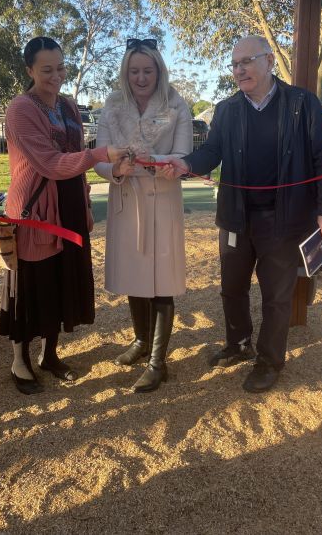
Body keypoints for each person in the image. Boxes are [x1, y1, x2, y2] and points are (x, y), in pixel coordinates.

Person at [162, 35, 322, 393]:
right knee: (232, 288)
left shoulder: (302, 103)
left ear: (270, 61)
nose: (239, 69)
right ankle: (238, 343)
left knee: (277, 295)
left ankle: (270, 359)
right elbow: (211, 151)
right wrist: (183, 163)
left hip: (284, 218)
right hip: (237, 217)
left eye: (246, 61)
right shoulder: (227, 109)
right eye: (234, 64)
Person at [0, 36, 127, 395]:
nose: (56, 76)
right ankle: (18, 360)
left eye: (60, 68)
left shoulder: (69, 106)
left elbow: (77, 156)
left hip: (68, 203)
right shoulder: (20, 109)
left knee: (60, 281)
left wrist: (106, 168)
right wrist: (102, 152)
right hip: (37, 210)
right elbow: (50, 163)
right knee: (31, 285)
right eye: (46, 70)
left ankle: (49, 355)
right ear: (29, 70)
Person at [94, 38, 193, 392]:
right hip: (126, 198)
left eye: (147, 70)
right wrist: (116, 169)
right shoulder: (112, 104)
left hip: (162, 198)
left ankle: (158, 361)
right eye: (134, 71)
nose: (140, 77)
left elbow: (183, 153)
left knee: (162, 280)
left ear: (158, 71)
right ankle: (140, 340)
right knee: (135, 276)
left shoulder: (177, 104)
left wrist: (165, 165)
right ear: (126, 72)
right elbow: (100, 158)